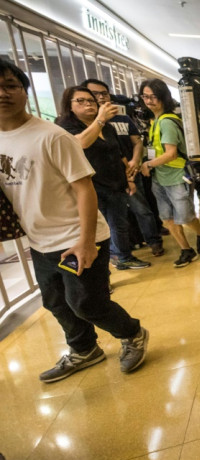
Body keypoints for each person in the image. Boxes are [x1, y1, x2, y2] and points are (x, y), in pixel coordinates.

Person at [0, 60, 148, 381]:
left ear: (24, 91)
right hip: (39, 241)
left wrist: (86, 241)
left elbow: (84, 189)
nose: (3, 93)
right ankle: (84, 349)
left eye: (10, 85)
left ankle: (132, 333)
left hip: (79, 236)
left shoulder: (53, 137)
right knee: (56, 302)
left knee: (87, 304)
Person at [55, 86, 151, 271]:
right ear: (69, 105)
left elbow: (118, 153)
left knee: (119, 225)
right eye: (80, 101)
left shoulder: (107, 127)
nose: (88, 104)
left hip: (115, 184)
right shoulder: (65, 127)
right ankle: (101, 270)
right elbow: (81, 143)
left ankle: (123, 258)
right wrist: (100, 119)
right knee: (96, 231)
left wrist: (129, 178)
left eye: (90, 100)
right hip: (89, 188)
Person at [81, 78, 164, 258]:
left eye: (104, 93)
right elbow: (81, 144)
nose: (101, 98)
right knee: (109, 220)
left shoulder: (122, 118)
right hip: (100, 180)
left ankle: (153, 241)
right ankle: (120, 253)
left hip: (130, 172)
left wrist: (135, 161)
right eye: (95, 94)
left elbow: (135, 143)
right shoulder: (83, 124)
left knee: (142, 210)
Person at [138, 78, 200, 267]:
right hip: (159, 177)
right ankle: (186, 250)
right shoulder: (155, 121)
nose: (149, 100)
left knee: (184, 216)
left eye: (154, 96)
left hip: (177, 176)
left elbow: (171, 153)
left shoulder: (167, 122)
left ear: (163, 97)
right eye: (145, 96)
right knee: (167, 218)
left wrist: (148, 164)